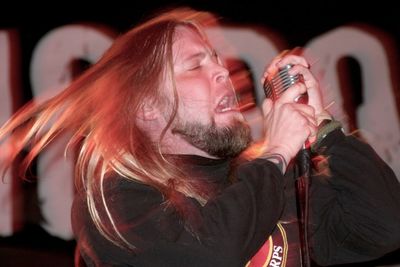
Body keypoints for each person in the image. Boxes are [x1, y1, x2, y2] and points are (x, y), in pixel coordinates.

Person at [0, 7, 400, 267]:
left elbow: (383, 226)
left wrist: (324, 127)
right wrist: (276, 152)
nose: (224, 72)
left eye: (217, 60)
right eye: (196, 66)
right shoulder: (116, 201)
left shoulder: (268, 181)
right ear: (147, 107)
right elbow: (208, 255)